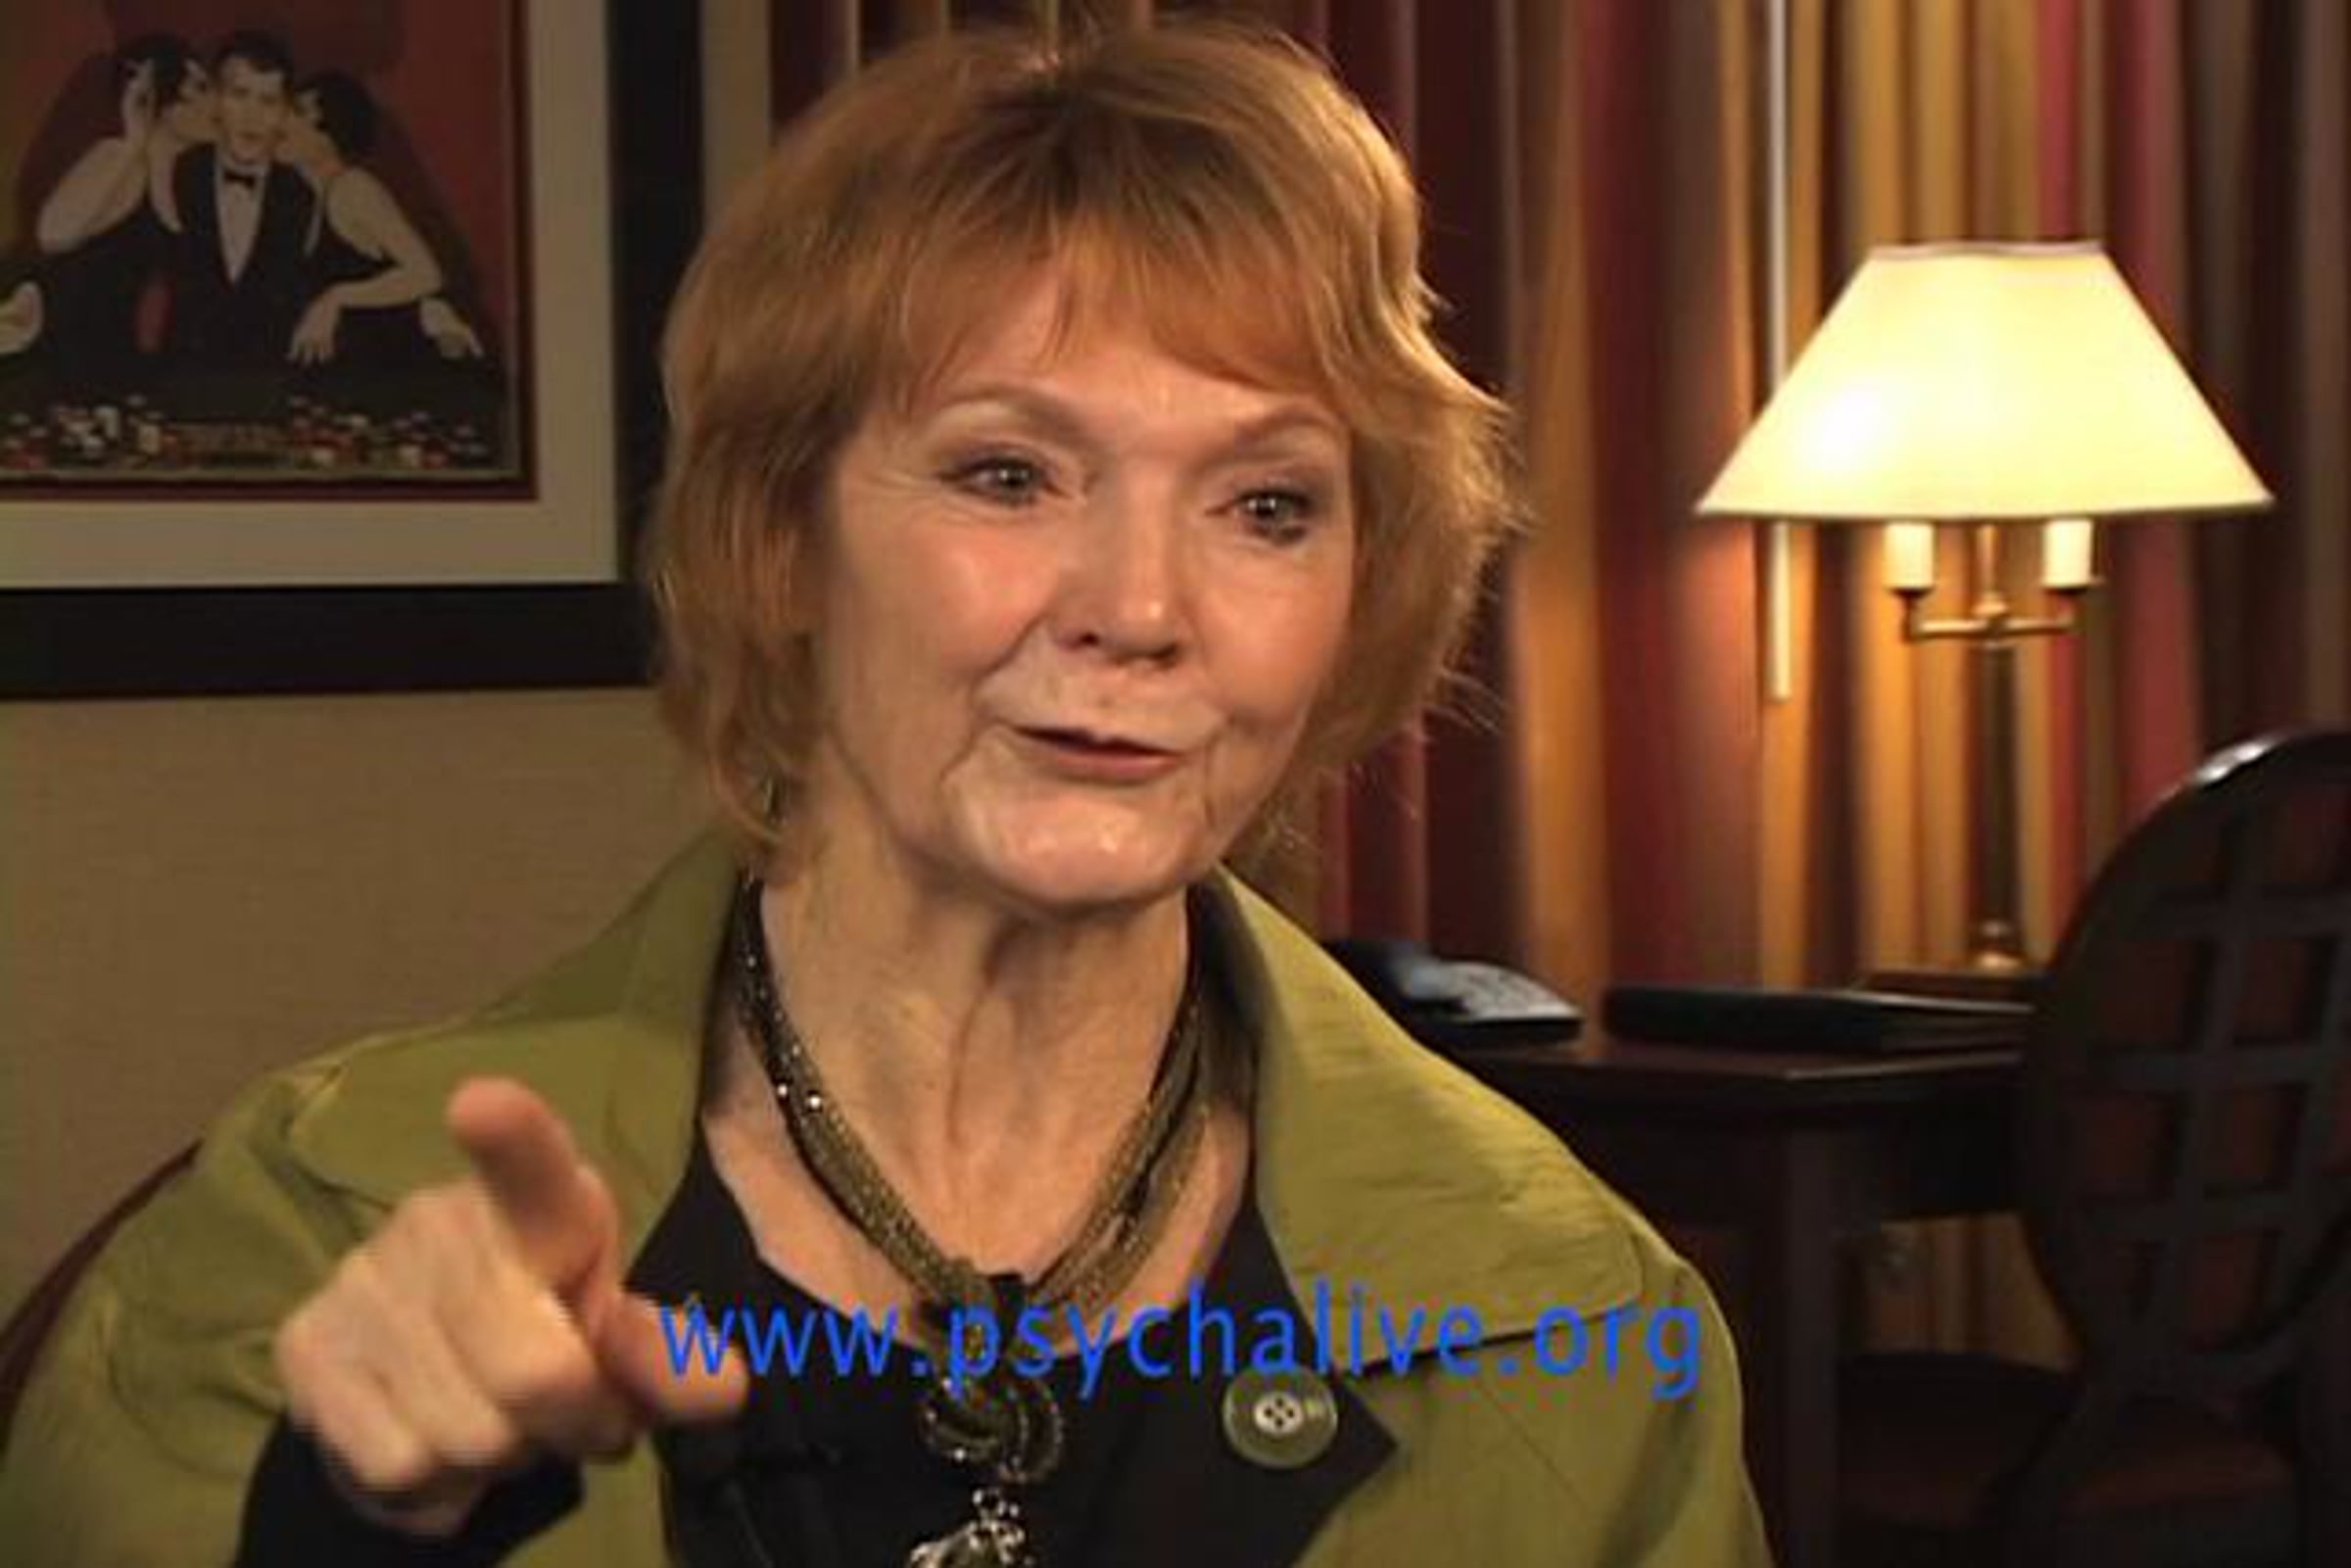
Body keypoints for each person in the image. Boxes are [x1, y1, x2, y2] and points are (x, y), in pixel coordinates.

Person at [0, 20, 1770, 1567]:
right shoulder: (317, 1227)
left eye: (1266, 506)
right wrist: (347, 1533)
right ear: (782, 541)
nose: (1141, 609)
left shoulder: (1569, 1315)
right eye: (1009, 474)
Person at [0, 34, 216, 392]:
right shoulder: (119, 157)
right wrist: (133, 142)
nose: (216, 103)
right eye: (201, 87)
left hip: (116, 366)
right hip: (57, 360)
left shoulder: (190, 178)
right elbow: (52, 235)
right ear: (160, 96)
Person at [277, 71, 488, 367]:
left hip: (402, 361)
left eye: (299, 112)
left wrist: (336, 298)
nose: (282, 121)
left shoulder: (353, 188)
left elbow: (427, 274)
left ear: (330, 134)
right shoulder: (309, 194)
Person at [155, 30, 316, 371]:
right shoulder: (177, 171)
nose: (251, 116)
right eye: (239, 95)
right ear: (216, 101)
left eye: (268, 101)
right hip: (181, 378)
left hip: (268, 381)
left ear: (285, 113)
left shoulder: (301, 193)